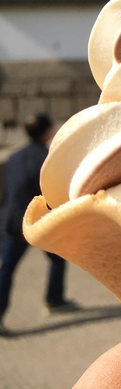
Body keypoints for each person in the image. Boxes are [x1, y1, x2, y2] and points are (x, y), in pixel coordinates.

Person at [0, 113, 77, 333]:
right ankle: (54, 300)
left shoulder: (14, 157)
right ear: (47, 132)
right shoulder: (48, 158)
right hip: (42, 221)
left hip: (14, 221)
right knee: (57, 258)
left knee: (7, 268)